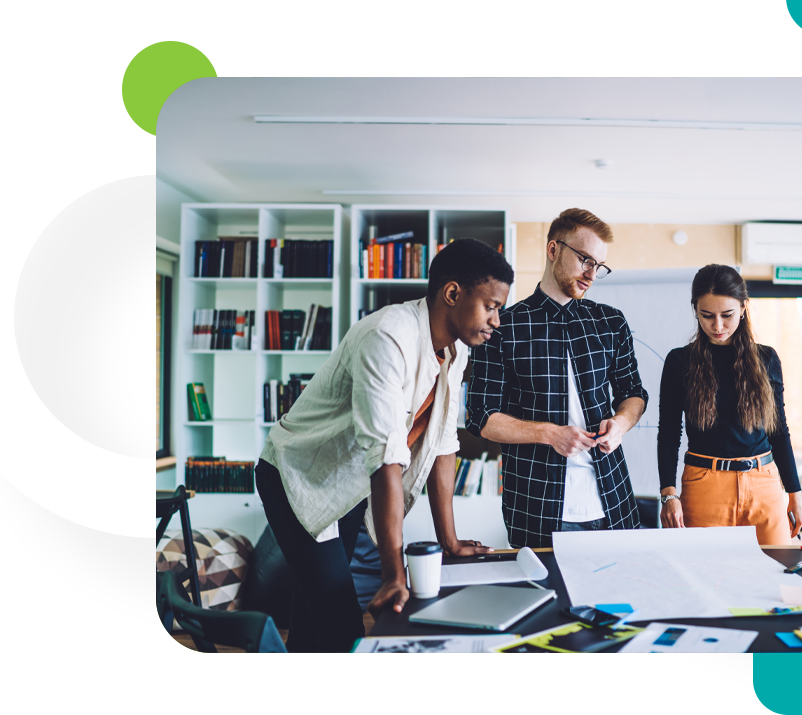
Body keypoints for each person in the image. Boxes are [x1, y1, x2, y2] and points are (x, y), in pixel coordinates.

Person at [254, 238, 514, 652]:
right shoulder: (387, 336)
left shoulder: (456, 351)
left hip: (350, 480)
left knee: (313, 608)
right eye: (492, 305)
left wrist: (450, 541)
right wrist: (394, 575)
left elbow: (444, 444)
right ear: (452, 293)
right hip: (298, 476)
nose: (497, 320)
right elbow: (386, 458)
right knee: (341, 620)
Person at [467, 208, 648, 548]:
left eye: (599, 266)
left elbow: (634, 393)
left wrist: (621, 424)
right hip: (537, 508)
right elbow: (481, 417)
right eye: (585, 260)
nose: (591, 274)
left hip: (614, 502)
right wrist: (549, 434)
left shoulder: (611, 323)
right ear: (553, 250)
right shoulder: (503, 327)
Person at [656, 264, 802, 544]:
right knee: (707, 578)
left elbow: (778, 430)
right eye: (707, 316)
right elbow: (668, 433)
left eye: (727, 315)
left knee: (776, 574)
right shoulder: (679, 362)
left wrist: (795, 493)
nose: (718, 326)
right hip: (704, 485)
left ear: (744, 308)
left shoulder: (767, 359)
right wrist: (668, 494)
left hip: (764, 483)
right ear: (695, 311)